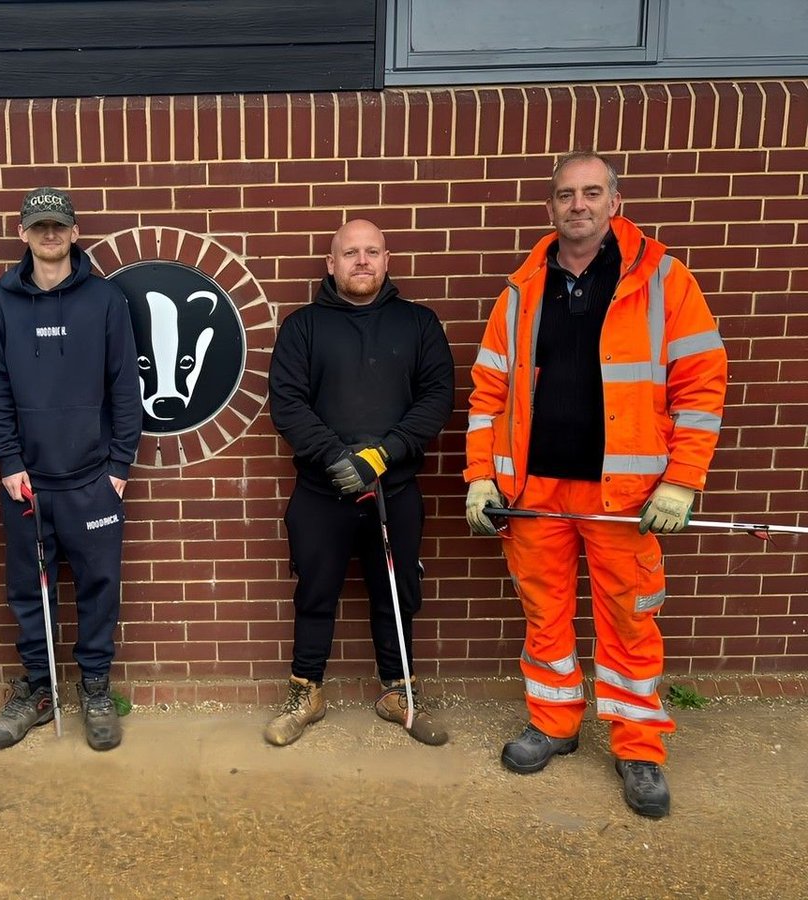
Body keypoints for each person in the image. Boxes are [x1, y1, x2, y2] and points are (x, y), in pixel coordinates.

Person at [464, 151, 727, 818]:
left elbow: (701, 387)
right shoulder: (520, 291)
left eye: (590, 193)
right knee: (543, 617)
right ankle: (554, 723)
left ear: (615, 201)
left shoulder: (666, 281)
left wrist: (683, 482)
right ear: (549, 207)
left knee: (631, 623)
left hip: (628, 496)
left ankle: (639, 746)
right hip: (534, 492)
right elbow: (488, 395)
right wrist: (479, 478)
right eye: (564, 195)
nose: (576, 205)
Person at [265, 218, 455, 748]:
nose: (362, 261)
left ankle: (399, 693)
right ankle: (306, 694)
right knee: (315, 592)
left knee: (395, 591)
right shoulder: (302, 327)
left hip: (394, 493)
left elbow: (437, 398)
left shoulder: (419, 324)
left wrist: (381, 455)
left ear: (387, 259)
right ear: (332, 264)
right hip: (320, 492)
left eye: (372, 251)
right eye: (350, 253)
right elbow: (288, 403)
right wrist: (336, 457)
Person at [0, 187, 142, 752]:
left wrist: (119, 465)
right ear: (23, 233)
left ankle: (95, 687)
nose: (50, 235)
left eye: (59, 226)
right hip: (26, 481)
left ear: (75, 233)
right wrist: (9, 460)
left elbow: (125, 387)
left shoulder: (104, 299)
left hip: (95, 480)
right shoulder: (0, 301)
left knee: (100, 587)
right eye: (39, 226)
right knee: (29, 589)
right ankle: (40, 689)